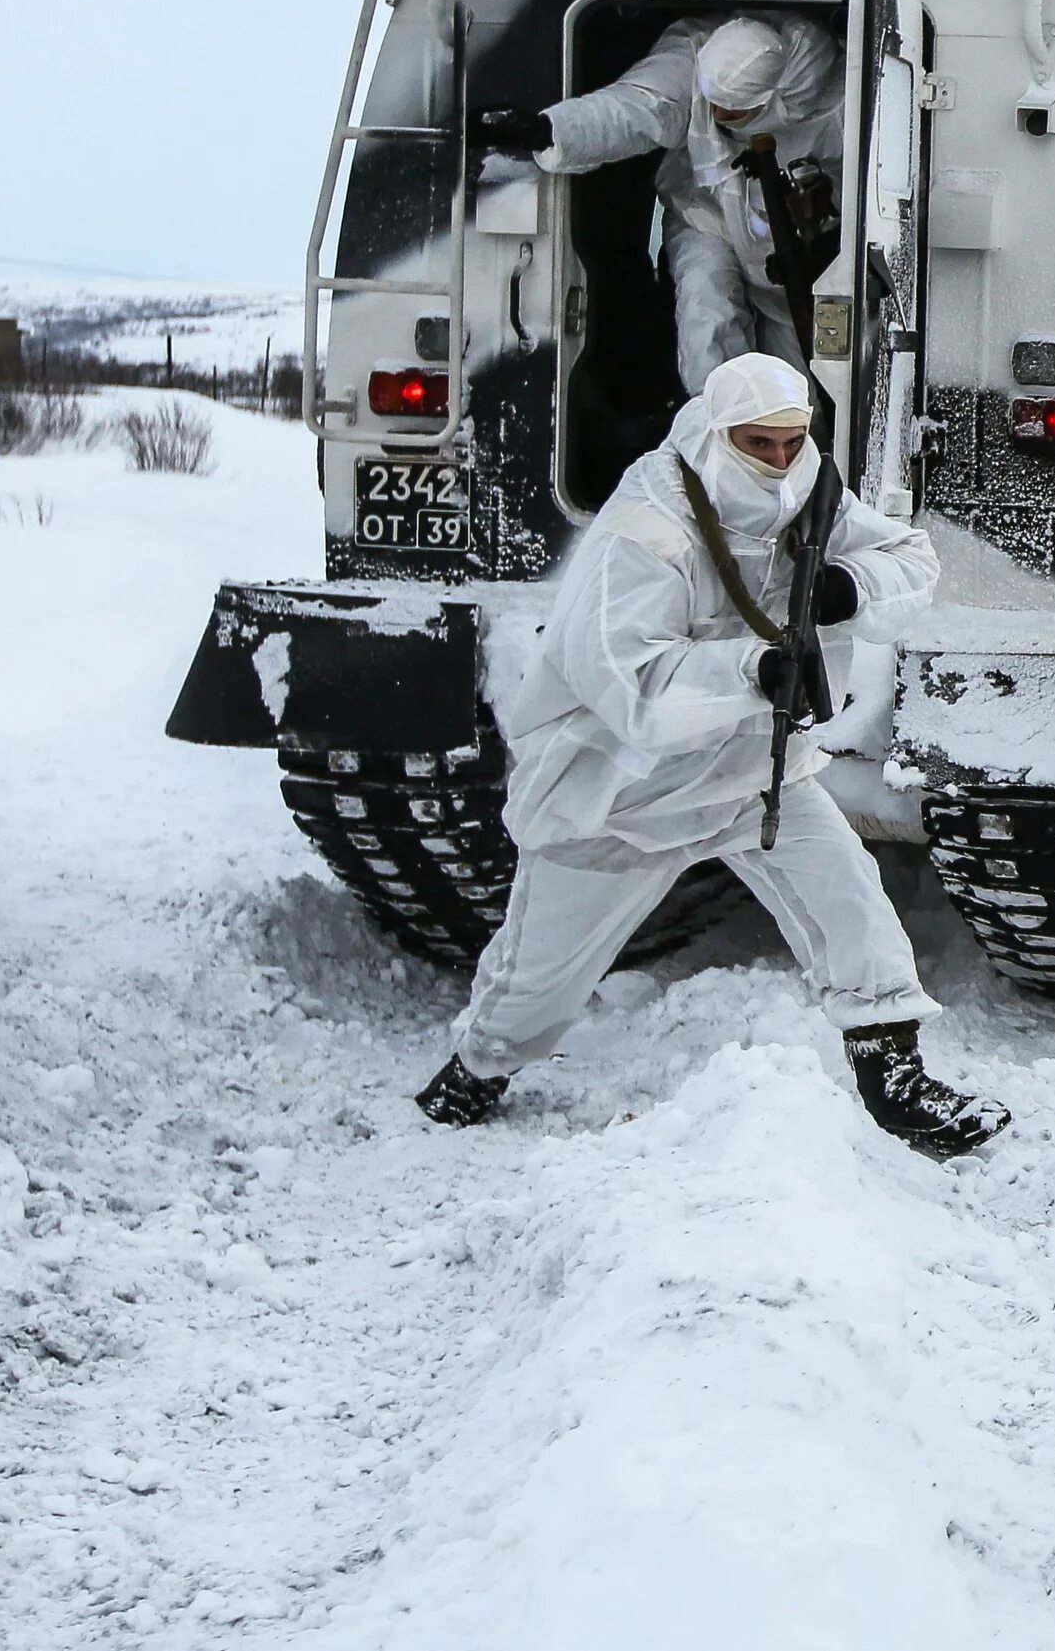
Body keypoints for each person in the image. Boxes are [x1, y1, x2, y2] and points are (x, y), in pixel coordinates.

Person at [412, 354, 1007, 1159]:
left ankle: (892, 1072)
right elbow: (630, 684)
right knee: (536, 986)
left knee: (849, 899)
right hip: (617, 791)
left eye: (792, 441)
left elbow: (910, 557)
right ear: (719, 433)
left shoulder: (807, 484)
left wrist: (843, 589)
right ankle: (475, 1070)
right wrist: (754, 669)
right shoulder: (648, 523)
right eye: (757, 443)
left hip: (746, 773)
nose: (778, 461)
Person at [477, 14, 843, 395]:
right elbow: (635, 108)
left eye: (731, 113)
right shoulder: (694, 60)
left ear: (771, 101)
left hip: (799, 256)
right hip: (706, 216)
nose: (715, 117)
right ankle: (717, 438)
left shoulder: (838, 103)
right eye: (712, 105)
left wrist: (831, 246)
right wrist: (547, 130)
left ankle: (796, 448)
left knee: (798, 385)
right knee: (706, 327)